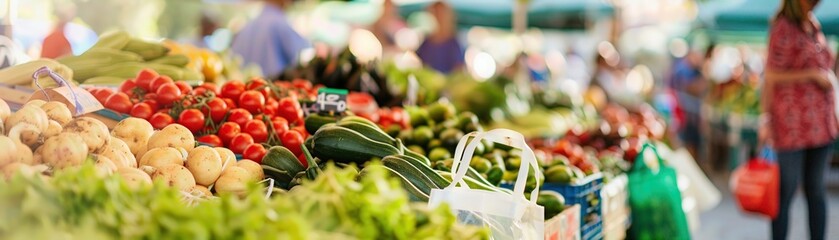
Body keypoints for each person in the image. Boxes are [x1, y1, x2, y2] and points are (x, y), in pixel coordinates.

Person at [761, 0, 835, 239]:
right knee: (786, 192)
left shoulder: (813, 25)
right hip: (791, 125)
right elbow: (771, 76)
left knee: (816, 191)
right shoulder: (783, 27)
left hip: (821, 125)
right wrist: (765, 119)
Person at [231, 0, 310, 79]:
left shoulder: (246, 27)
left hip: (248, 88)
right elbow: (306, 57)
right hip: (273, 87)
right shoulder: (280, 24)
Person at [415, 1, 463, 74]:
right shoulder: (426, 42)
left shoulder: (454, 44)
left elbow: (458, 70)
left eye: (441, 14)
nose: (439, 17)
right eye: (436, 13)